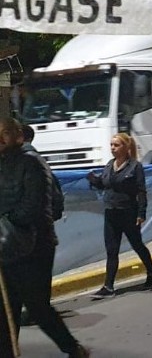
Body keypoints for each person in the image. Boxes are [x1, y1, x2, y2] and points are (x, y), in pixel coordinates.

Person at [0, 118, 90, 357]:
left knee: (37, 306)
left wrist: (6, 223)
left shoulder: (31, 163)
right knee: (6, 307)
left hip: (34, 245)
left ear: (18, 135)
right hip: (6, 245)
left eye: (5, 133)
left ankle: (72, 348)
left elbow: (32, 206)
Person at [86, 133, 152, 299]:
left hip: (128, 213)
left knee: (137, 245)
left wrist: (141, 212)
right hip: (111, 213)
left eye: (116, 145)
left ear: (126, 147)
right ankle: (108, 286)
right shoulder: (109, 165)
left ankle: (151, 272)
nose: (112, 148)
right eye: (111, 145)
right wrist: (93, 179)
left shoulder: (135, 166)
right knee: (112, 250)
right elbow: (104, 184)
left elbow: (141, 191)